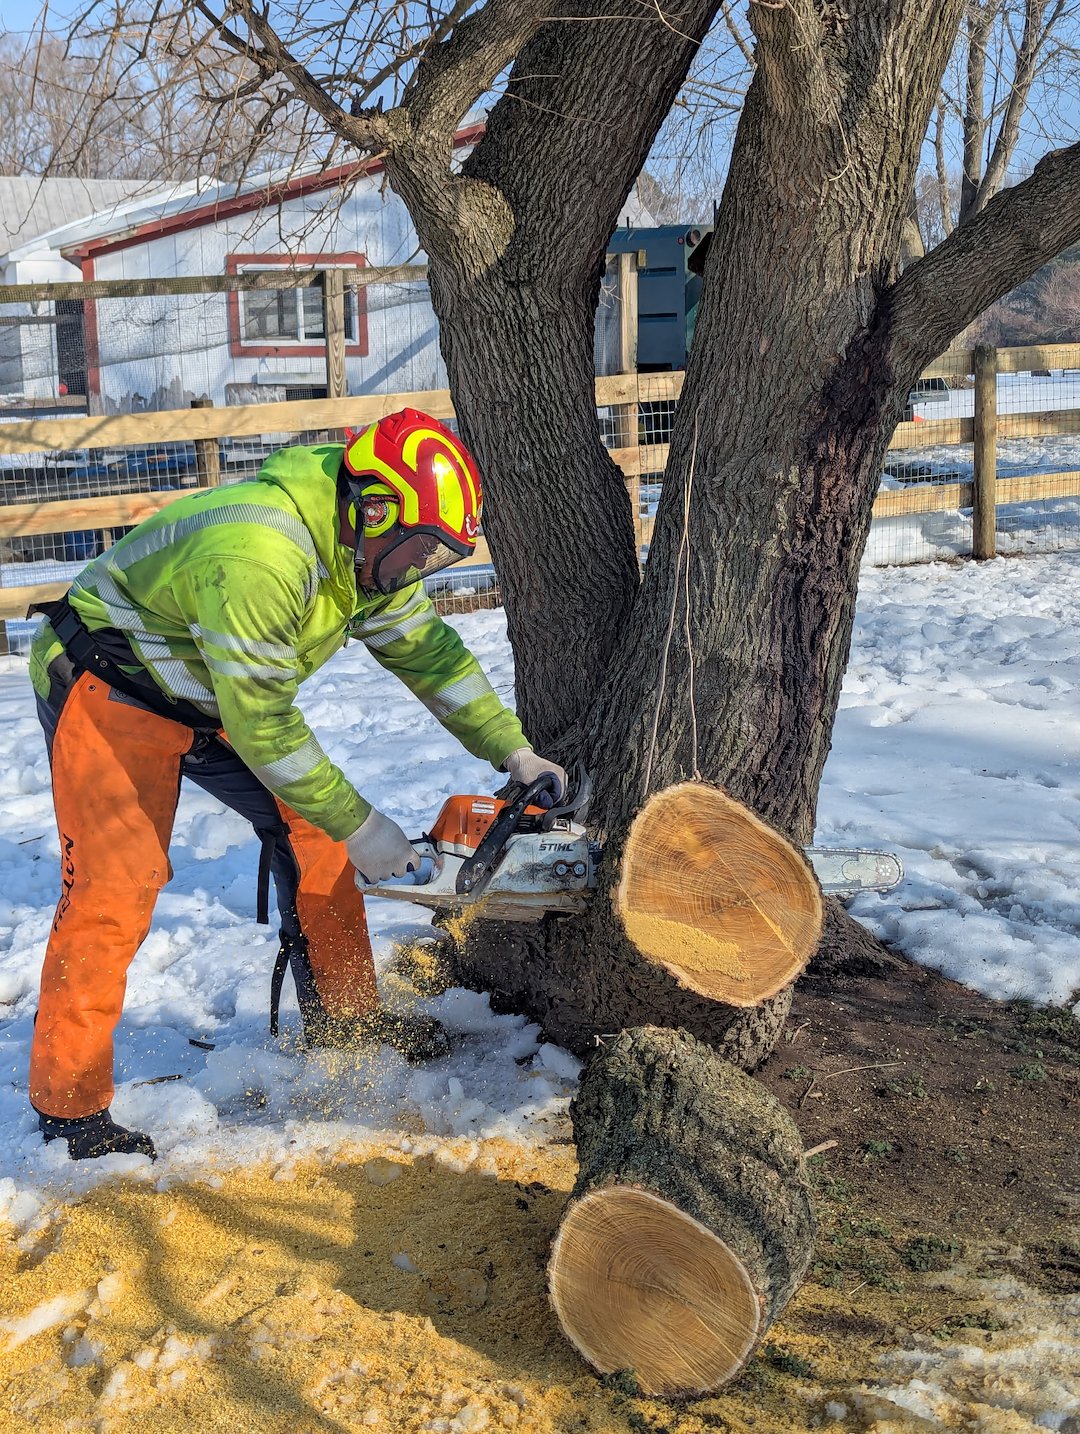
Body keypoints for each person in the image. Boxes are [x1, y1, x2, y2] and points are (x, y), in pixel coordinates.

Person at [27, 408, 566, 1162]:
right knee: (116, 885)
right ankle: (70, 1109)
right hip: (112, 681)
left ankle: (347, 1025)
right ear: (372, 509)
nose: (416, 569)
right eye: (416, 549)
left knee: (314, 833)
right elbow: (265, 727)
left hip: (212, 691)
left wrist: (512, 752)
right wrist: (366, 826)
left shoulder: (365, 548)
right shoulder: (263, 555)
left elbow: (429, 654)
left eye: (433, 558)